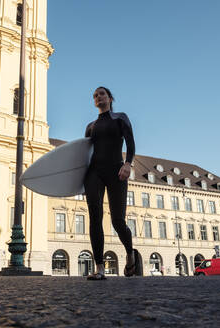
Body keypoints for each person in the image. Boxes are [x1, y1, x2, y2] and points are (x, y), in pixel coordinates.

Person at [84, 86, 136, 280]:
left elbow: (130, 143)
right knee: (94, 217)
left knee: (117, 220)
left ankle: (130, 254)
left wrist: (128, 164)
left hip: (117, 171)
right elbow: (84, 154)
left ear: (110, 98)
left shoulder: (120, 118)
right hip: (94, 173)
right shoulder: (90, 126)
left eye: (102, 94)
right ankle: (99, 268)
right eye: (95, 95)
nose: (98, 97)